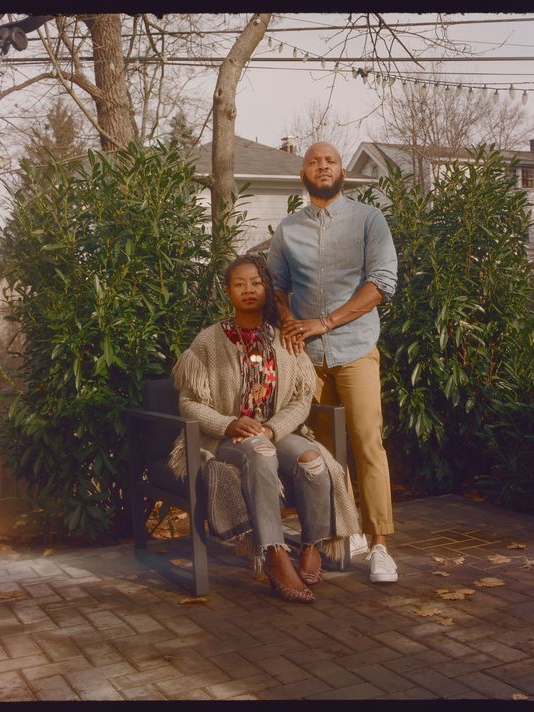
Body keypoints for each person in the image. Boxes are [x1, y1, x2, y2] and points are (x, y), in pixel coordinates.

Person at [169, 254, 359, 604]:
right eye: (239, 284)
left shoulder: (283, 340)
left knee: (312, 461)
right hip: (227, 438)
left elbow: (301, 399)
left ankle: (311, 544)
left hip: (274, 431)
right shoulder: (209, 341)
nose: (248, 290)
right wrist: (228, 423)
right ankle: (274, 553)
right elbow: (189, 403)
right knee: (260, 452)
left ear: (267, 288)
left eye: (256, 283)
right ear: (227, 291)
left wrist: (272, 429)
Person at [267, 141, 399, 584]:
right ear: (302, 173)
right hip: (307, 358)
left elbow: (381, 283)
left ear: (342, 170)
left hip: (356, 348)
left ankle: (380, 546)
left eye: (330, 161)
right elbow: (278, 288)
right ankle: (348, 531)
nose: (322, 167)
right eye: (313, 162)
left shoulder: (368, 219)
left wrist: (325, 322)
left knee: (367, 443)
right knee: (323, 452)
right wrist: (288, 319)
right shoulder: (288, 230)